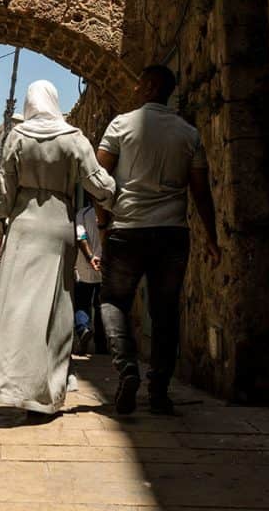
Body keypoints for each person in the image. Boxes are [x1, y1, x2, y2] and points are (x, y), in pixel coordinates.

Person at [0, 80, 116, 423]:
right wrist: (121, 194)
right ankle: (46, 393)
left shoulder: (17, 137)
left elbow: (4, 194)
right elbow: (98, 183)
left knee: (18, 310)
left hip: (24, 228)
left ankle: (13, 388)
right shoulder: (73, 138)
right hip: (59, 226)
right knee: (57, 310)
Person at [96, 64, 220, 417]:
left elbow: (99, 178)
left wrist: (103, 222)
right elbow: (200, 190)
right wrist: (211, 237)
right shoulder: (189, 133)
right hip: (172, 234)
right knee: (165, 312)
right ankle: (160, 391)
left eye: (139, 84)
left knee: (113, 302)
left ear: (150, 86)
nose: (135, 90)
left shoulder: (121, 125)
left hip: (127, 229)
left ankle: (127, 368)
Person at [74, 199, 106, 355]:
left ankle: (83, 329)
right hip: (105, 265)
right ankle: (101, 345)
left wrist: (90, 257)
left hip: (85, 266)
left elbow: (81, 237)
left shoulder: (82, 214)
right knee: (101, 305)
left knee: (82, 302)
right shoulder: (110, 212)